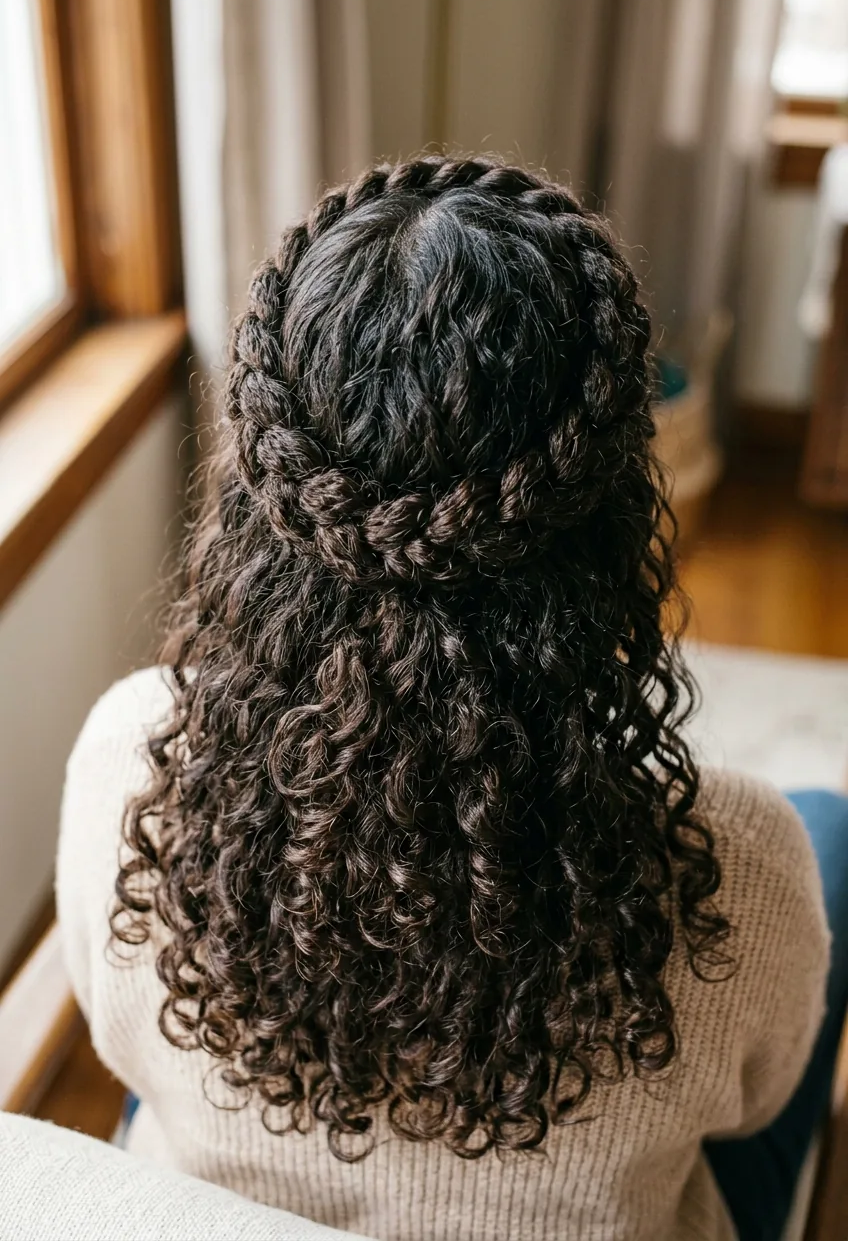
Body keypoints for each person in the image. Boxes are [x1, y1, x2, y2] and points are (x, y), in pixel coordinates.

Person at [57, 157, 844, 1241]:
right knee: (832, 828)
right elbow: (757, 1095)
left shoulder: (123, 760)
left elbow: (115, 1044)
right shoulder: (738, 869)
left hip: (214, 1207)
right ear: (614, 514)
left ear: (257, 488)